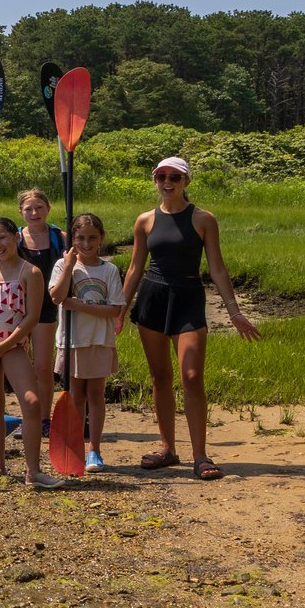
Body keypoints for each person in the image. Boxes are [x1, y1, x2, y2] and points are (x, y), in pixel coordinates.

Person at [123, 157, 260, 480]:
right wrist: (118, 310)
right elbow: (134, 268)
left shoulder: (203, 219)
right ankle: (168, 448)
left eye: (174, 177)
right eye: (161, 176)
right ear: (155, 180)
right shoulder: (144, 221)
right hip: (152, 299)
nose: (167, 182)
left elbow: (217, 267)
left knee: (192, 375)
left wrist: (235, 311)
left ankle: (200, 454)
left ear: (186, 181)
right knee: (159, 376)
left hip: (188, 299)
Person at [0, 215, 56, 488]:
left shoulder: (31, 272)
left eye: (2, 238)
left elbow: (32, 317)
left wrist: (6, 344)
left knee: (31, 402)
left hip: (13, 346)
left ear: (16, 237)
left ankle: (33, 471)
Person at [48, 212, 123, 473]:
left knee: (95, 395)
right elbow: (56, 297)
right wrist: (68, 267)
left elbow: (114, 310)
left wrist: (79, 305)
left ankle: (95, 450)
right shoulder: (62, 265)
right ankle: (75, 446)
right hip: (72, 340)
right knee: (76, 395)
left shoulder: (109, 269)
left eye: (92, 238)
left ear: (101, 238)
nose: (87, 243)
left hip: (99, 340)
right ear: (73, 239)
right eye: (81, 238)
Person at [16, 188, 66, 443]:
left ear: (48, 209)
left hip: (48, 309)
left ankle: (44, 419)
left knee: (43, 368)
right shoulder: (15, 239)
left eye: (39, 208)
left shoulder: (61, 238)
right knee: (21, 369)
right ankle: (28, 419)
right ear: (20, 212)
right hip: (18, 310)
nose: (34, 213)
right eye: (28, 209)